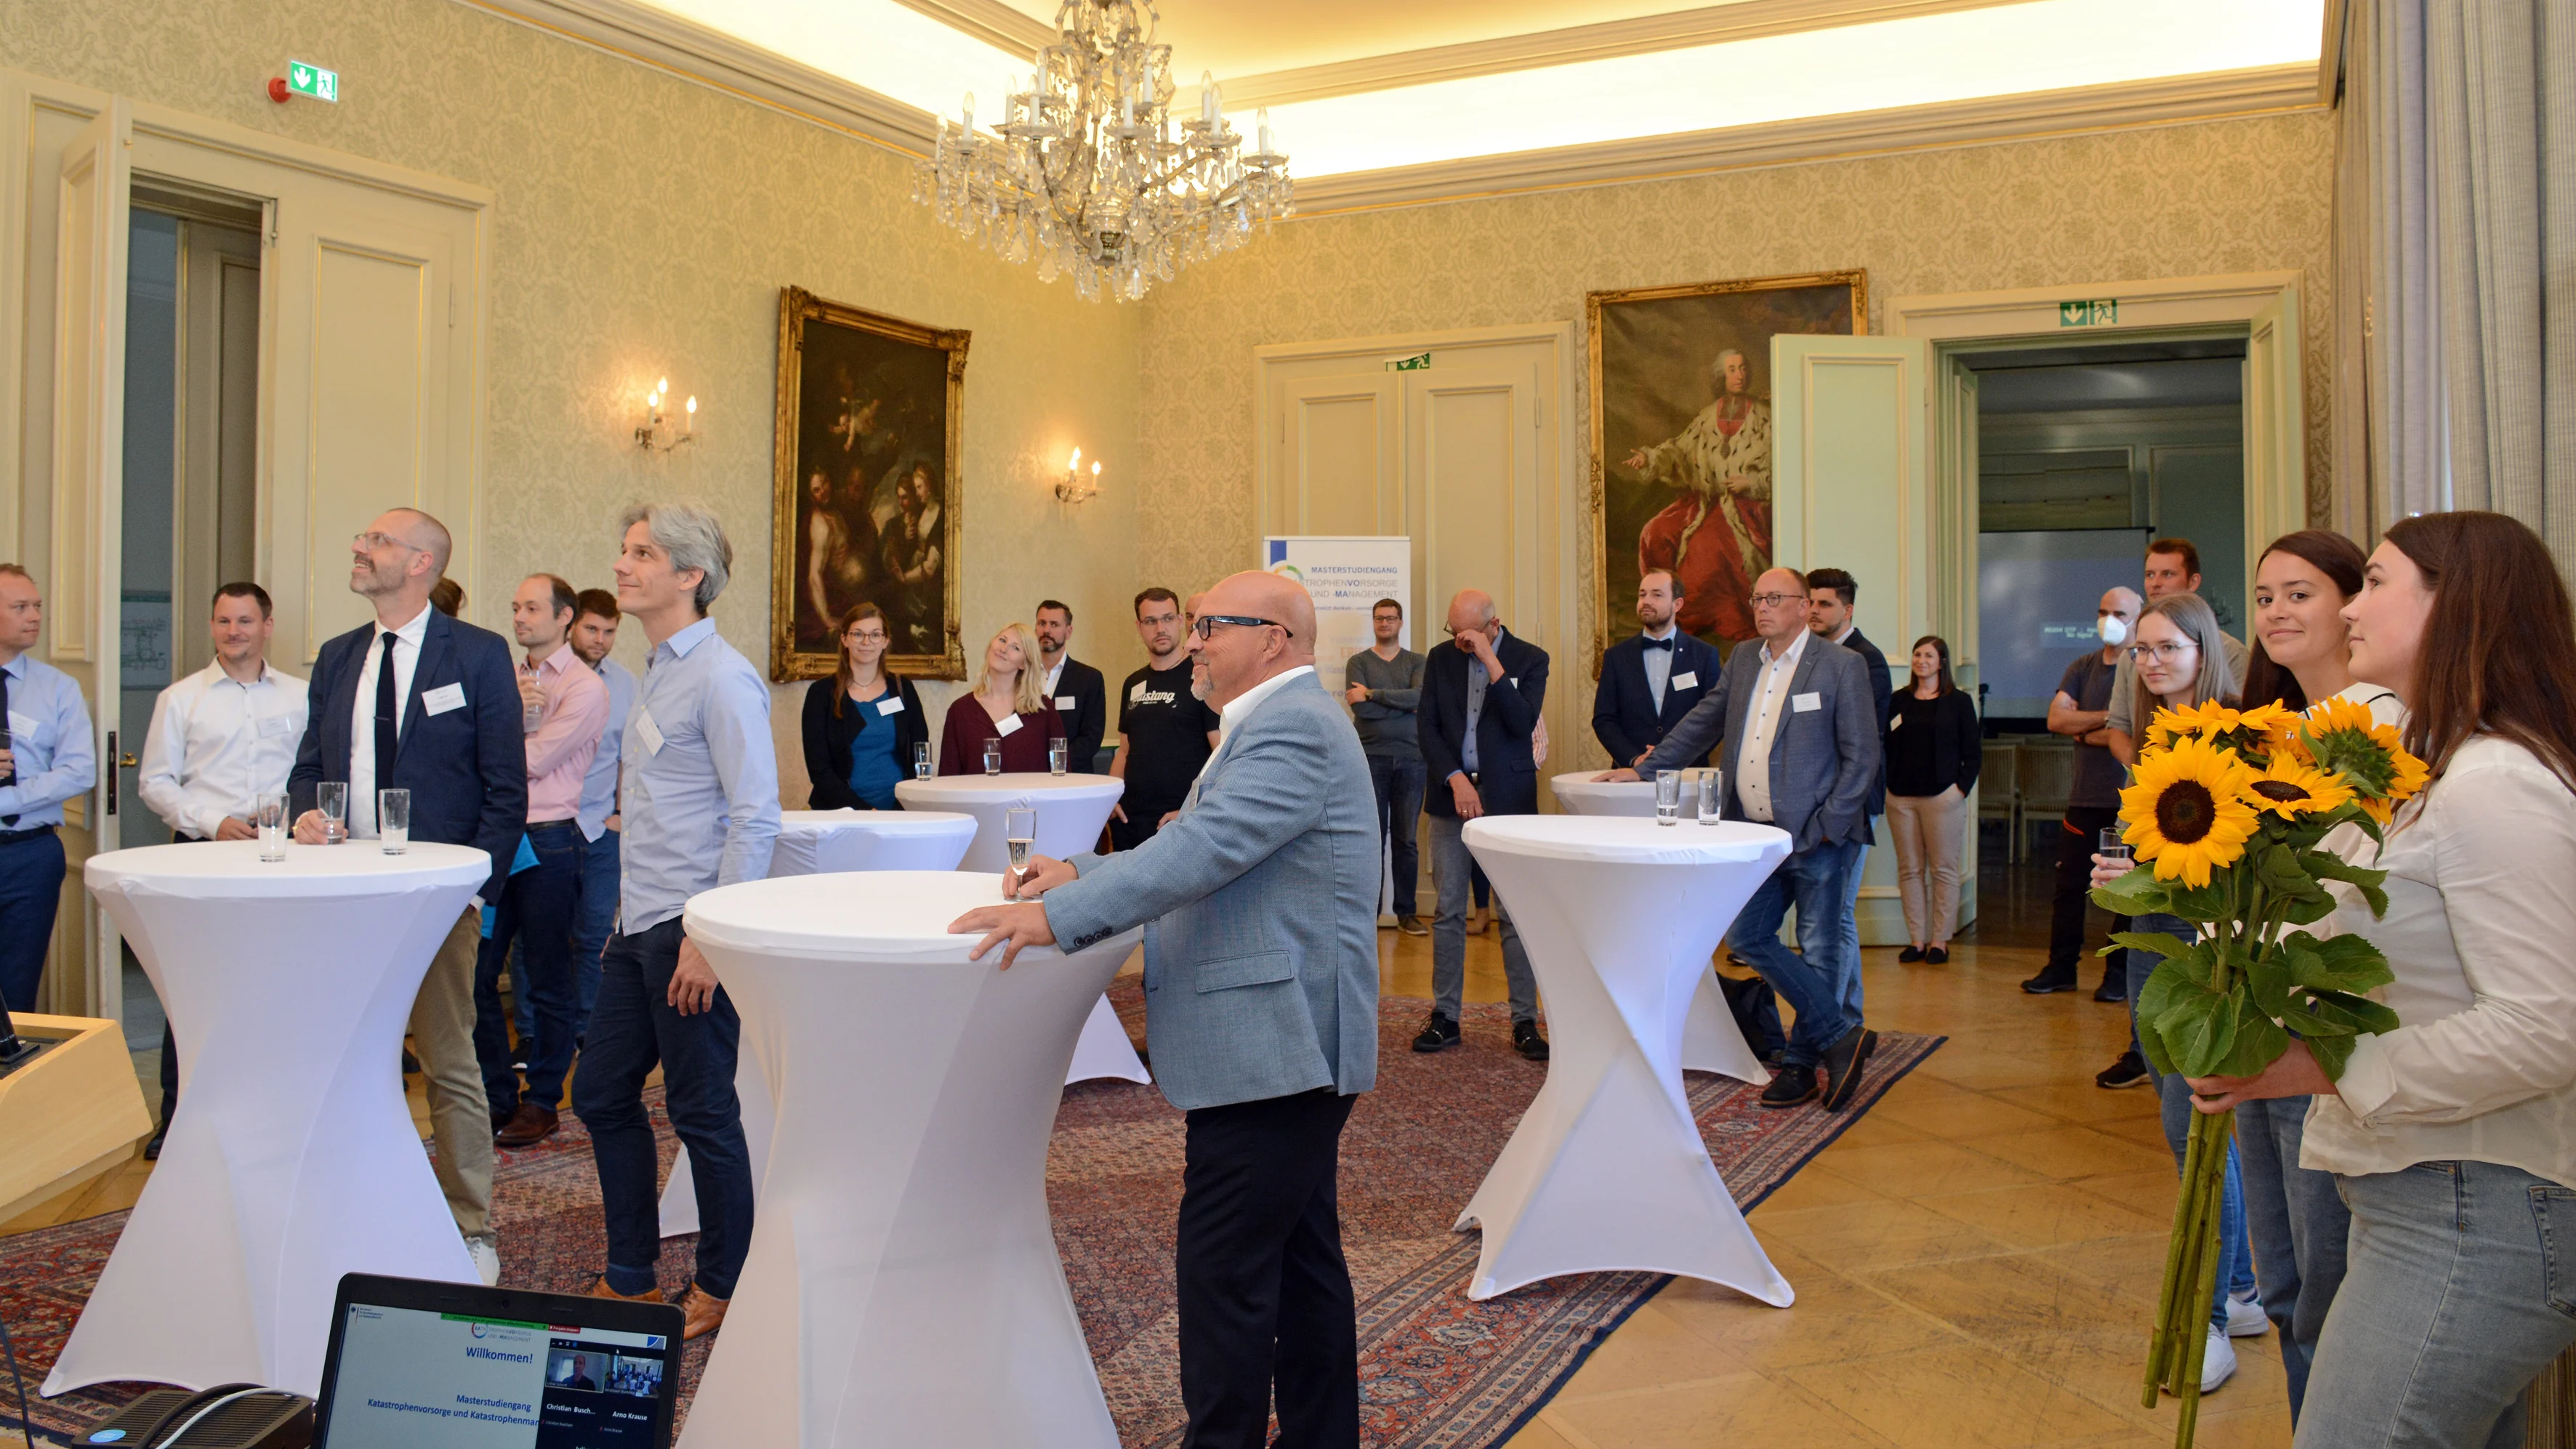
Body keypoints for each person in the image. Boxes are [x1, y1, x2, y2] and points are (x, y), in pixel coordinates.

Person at [947, 570, 1378, 1449]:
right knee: (1301, 1266)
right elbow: (1192, 841)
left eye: (1213, 625)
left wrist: (1053, 914)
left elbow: (1206, 851)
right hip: (1282, 1044)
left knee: (1226, 1275)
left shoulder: (1292, 724)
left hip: (1278, 1046)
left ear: (1274, 639)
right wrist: (1080, 870)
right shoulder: (1275, 721)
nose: (1194, 641)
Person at [2181, 512, 2576, 1448]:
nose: (2351, 606)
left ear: (2457, 604)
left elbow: (2547, 1025)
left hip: (2476, 1204)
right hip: (2430, 1189)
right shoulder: (2435, 772)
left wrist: (2316, 1059)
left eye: (2376, 582)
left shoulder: (2494, 781)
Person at [288, 509, 525, 1286]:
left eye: (377, 540)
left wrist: (470, 889)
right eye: (360, 537)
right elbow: (307, 766)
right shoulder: (338, 655)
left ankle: (470, 1230)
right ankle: (344, 1215)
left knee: (448, 1059)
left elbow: (505, 790)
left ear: (421, 562)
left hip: (437, 898)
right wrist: (303, 813)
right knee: (340, 1060)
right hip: (344, 895)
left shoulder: (480, 655)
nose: (358, 547)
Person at [572, 501, 778, 1342]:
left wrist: (709, 938)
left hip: (690, 929)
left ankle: (725, 1281)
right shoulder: (656, 667)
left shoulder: (724, 675)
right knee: (599, 1091)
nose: (622, 565)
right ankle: (629, 1274)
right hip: (638, 924)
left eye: (643, 553)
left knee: (701, 1113)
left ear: (689, 576)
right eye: (623, 549)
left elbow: (755, 814)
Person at [2202, 528, 2387, 1421]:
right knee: (2281, 1282)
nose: (2276, 610)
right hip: (2259, 1024)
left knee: (2326, 1286)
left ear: (2352, 602)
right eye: (2265, 595)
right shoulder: (2273, 736)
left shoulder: (2383, 732)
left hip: (2327, 1040)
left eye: (2299, 592)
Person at [1599, 566, 1881, 1110]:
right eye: (1757, 598)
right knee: (1747, 937)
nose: (1762, 606)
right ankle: (1841, 1034)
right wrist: (1646, 769)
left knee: (1822, 948)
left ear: (1804, 608)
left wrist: (1827, 823)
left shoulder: (1841, 667)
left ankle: (1800, 1065)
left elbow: (1862, 756)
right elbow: (1704, 722)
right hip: (1754, 837)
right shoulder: (1745, 659)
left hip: (1818, 838)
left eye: (1775, 598)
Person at [2098, 589, 2262, 1389]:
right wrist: (2123, 874)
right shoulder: (2157, 739)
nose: (2153, 661)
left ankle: (2212, 1317)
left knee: (2192, 1126)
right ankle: (2239, 1286)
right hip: (2150, 944)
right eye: (2143, 649)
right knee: (2187, 1124)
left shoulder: (2232, 740)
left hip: (2204, 950)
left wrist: (2147, 873)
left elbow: (2231, 870)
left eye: (2169, 648)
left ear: (2206, 651)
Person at [136, 581, 307, 1157]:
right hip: (202, 852)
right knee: (192, 989)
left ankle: (269, 1115)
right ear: (212, 627)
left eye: (244, 621)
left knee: (276, 986)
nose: (233, 632)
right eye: (223, 621)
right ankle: (177, 1119)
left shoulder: (302, 696)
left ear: (268, 625)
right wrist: (214, 821)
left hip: (281, 856)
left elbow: (313, 771)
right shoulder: (182, 698)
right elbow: (154, 782)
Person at [475, 574, 608, 1150]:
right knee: (475, 971)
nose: (520, 617)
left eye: (531, 607)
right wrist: (506, 714)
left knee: (551, 977)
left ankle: (543, 1101)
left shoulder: (585, 688)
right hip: (496, 835)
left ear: (564, 618)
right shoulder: (503, 676)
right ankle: (498, 1093)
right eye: (515, 606)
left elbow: (528, 761)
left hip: (552, 840)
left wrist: (500, 728)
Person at [1414, 589, 1549, 1063]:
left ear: (1493, 625)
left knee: (1513, 914)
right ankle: (1446, 1016)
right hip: (1453, 799)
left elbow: (1521, 721)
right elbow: (1427, 727)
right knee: (1449, 909)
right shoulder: (1439, 659)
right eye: (1453, 631)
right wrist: (1455, 779)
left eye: (1467, 633)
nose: (1458, 641)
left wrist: (1492, 661)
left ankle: (1524, 1022)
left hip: (1508, 802)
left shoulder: (1531, 659)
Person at [2026, 586, 2143, 1001]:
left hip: (2132, 800)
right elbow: (2058, 719)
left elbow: (2136, 730)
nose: (2109, 620)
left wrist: (2096, 730)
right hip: (2084, 797)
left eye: (2120, 613)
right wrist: (2111, 722)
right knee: (2069, 887)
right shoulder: (2082, 665)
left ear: (2137, 618)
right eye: (2103, 611)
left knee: (2127, 892)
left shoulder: (2141, 667)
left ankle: (2117, 975)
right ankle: (2061, 968)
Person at [0, 565, 96, 1016]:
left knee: (18, 985)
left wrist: (8, 798)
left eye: (37, 606)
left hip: (29, 856)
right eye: (20, 607)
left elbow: (79, 771)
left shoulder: (59, 688)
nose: (34, 616)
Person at [1627, 348, 1770, 642]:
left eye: (1743, 368)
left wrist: (1750, 482)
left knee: (1707, 547)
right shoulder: (1708, 416)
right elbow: (1679, 450)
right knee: (1657, 531)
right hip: (1707, 501)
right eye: (1732, 370)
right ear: (1721, 376)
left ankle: (1704, 617)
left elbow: (1785, 466)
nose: (1739, 375)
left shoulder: (1765, 417)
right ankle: (1662, 610)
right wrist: (1650, 458)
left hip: (1749, 506)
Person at [1806, 566, 1889, 1013]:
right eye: (1811, 602)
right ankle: (1847, 1015)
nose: (1814, 612)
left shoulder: (1865, 659)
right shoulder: (1812, 655)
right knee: (1833, 915)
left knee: (1836, 915)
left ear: (1847, 609)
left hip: (1851, 805)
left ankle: (1835, 1022)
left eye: (1825, 604)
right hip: (1818, 804)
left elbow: (1859, 740)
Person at [2104, 538, 2247, 764]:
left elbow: (2239, 731)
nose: (2155, 584)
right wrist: (2150, 773)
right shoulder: (2130, 658)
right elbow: (2118, 726)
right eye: (2150, 575)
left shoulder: (2232, 652)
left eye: (2167, 574)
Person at [1882, 636, 1977, 964]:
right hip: (1900, 799)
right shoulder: (1898, 701)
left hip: (1942, 799)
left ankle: (1939, 941)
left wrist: (1959, 790)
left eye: (1929, 655)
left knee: (1943, 871)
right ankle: (1916, 940)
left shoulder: (1959, 702)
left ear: (1942, 663)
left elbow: (1973, 753)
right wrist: (1887, 785)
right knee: (1909, 870)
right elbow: (1884, 748)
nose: (1921, 660)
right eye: (1917, 654)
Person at [1111, 588, 1219, 849]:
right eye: (1150, 621)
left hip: (1178, 822)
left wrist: (1192, 810)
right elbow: (1124, 750)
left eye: (1168, 618)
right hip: (1129, 821)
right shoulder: (1133, 682)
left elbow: (1220, 752)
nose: (1160, 628)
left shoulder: (1202, 676)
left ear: (1181, 621)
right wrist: (1110, 800)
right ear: (1139, 626)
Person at [1345, 597, 1428, 935]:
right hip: (1371, 759)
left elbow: (1420, 698)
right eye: (1380, 619)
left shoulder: (1417, 661)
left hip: (1413, 758)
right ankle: (1371, 913)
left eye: (1391, 618)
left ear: (1400, 622)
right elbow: (1360, 711)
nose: (1385, 624)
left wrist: (1374, 695)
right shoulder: (1358, 662)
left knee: (1406, 840)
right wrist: (1402, 705)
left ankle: (1407, 913)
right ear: (1374, 622)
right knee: (1373, 839)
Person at [1592, 570, 1724, 769]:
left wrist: (1678, 757)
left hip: (1687, 772)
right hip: (1630, 775)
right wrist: (1635, 759)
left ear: (1677, 604)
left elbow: (1715, 719)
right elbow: (1604, 719)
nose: (1646, 601)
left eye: (1657, 595)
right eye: (1642, 594)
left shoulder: (1705, 655)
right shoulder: (1616, 657)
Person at [800, 602, 927, 809]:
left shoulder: (903, 689)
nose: (867, 642)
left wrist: (904, 807)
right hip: (841, 814)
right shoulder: (821, 694)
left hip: (900, 812)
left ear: (885, 641)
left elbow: (919, 753)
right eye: (858, 634)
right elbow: (819, 770)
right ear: (844, 639)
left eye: (875, 635)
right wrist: (865, 812)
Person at [936, 623, 1066, 775]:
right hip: (977, 799)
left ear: (1024, 663)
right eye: (1002, 640)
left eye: (1016, 648)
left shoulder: (1042, 710)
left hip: (1030, 799)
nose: (1004, 649)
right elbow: (948, 776)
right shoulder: (960, 711)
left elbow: (1062, 773)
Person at [1034, 600, 1107, 772]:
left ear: (1069, 631)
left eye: (1054, 624)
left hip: (1074, 777)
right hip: (1027, 776)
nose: (1047, 631)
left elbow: (1092, 737)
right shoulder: (1019, 677)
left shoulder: (1089, 678)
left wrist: (1055, 764)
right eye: (1042, 623)